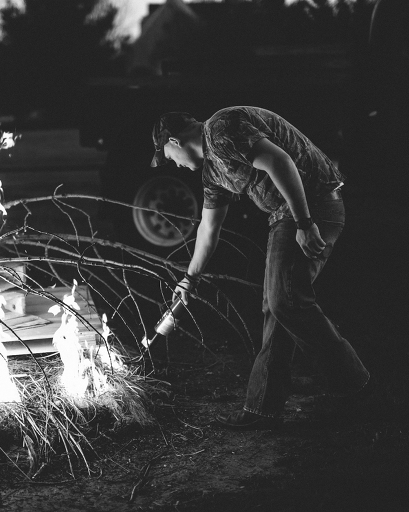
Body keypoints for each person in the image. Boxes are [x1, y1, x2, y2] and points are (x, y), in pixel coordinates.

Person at [151, 106, 371, 430]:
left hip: (313, 204)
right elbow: (209, 229)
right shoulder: (212, 172)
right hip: (286, 215)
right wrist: (189, 279)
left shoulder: (220, 129)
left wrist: (305, 222)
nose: (175, 165)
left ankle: (358, 387)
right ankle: (263, 408)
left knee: (285, 301)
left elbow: (280, 161)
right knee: (277, 306)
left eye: (169, 158)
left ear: (173, 141)